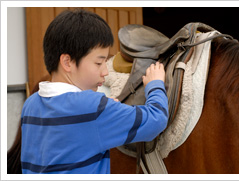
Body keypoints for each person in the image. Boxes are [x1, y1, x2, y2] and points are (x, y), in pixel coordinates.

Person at [20, 9, 168, 174]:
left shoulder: (30, 104)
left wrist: (105, 111)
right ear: (67, 62)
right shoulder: (93, 108)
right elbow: (156, 120)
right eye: (99, 63)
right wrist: (155, 84)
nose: (105, 71)